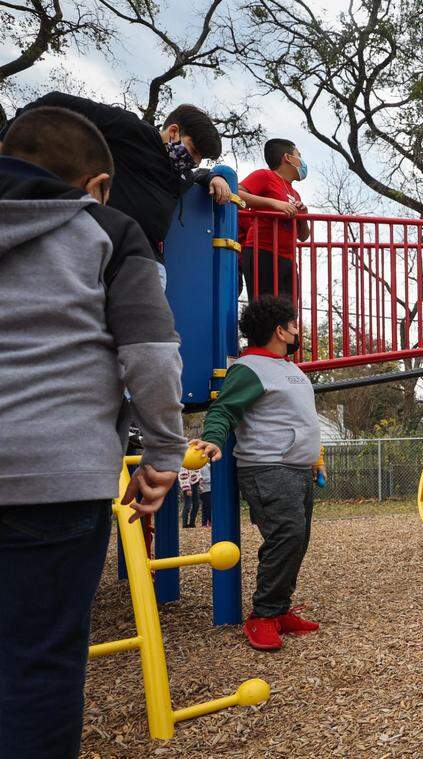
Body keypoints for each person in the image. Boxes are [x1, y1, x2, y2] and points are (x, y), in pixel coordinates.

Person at [0, 107, 185, 758]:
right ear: (98, 184)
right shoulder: (107, 229)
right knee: (40, 665)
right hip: (55, 472)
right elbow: (152, 356)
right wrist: (163, 452)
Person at [188, 296, 322, 652]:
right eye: (293, 324)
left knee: (297, 538)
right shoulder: (250, 369)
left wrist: (315, 457)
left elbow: (300, 419)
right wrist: (214, 440)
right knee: (286, 536)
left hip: (296, 468)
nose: (298, 329)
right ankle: (262, 616)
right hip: (268, 466)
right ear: (280, 330)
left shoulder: (288, 368)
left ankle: (279, 610)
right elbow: (223, 410)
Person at [0, 91, 229, 288]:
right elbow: (56, 102)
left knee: (144, 331)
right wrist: (8, 138)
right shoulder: (131, 129)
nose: (196, 161)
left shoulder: (180, 174)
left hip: (147, 262)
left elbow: (197, 175)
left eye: (201, 158)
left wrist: (213, 176)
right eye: (194, 150)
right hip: (101, 247)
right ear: (173, 131)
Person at [237, 138, 311, 298]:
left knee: (289, 316)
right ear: (288, 158)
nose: (302, 161)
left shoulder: (294, 193)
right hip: (263, 252)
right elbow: (236, 193)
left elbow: (303, 236)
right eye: (299, 155)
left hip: (288, 259)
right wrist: (275, 204)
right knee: (266, 312)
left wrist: (303, 217)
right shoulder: (264, 176)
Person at [199, 462, 213, 527]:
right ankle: (209, 521)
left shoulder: (208, 465)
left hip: (209, 488)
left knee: (205, 506)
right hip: (204, 489)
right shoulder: (198, 466)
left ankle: (204, 523)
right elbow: (200, 478)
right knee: (207, 506)